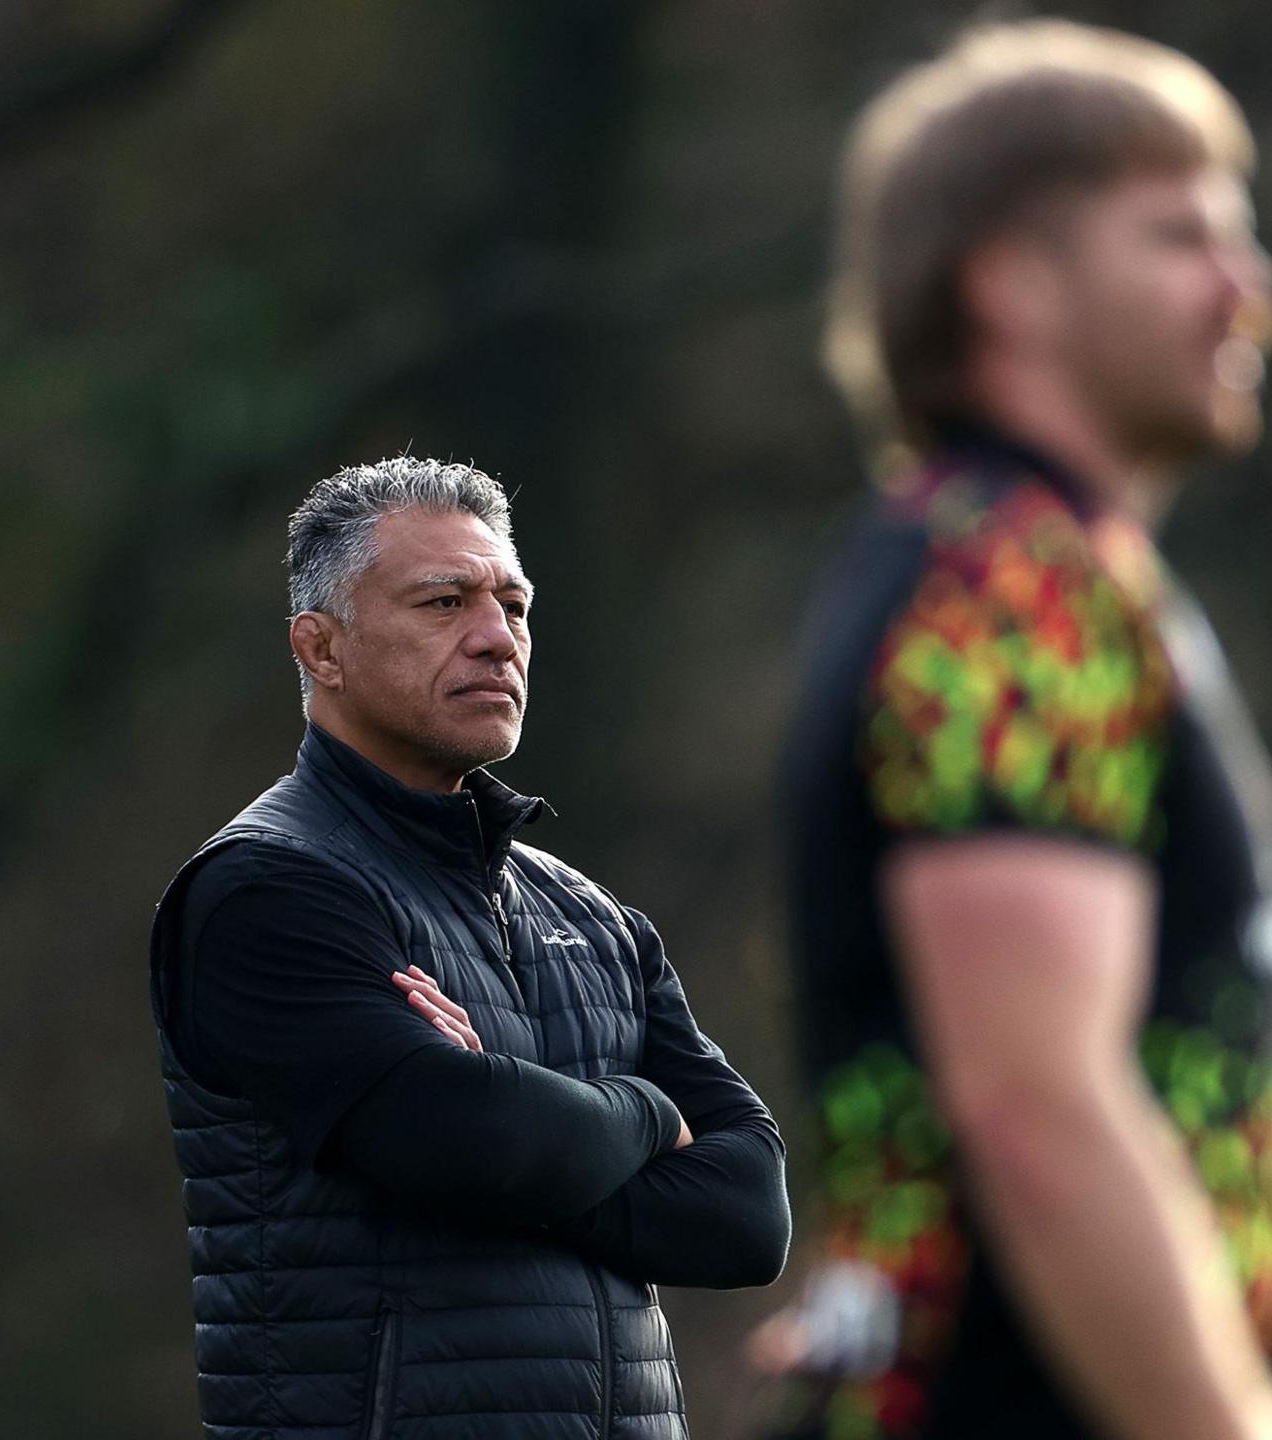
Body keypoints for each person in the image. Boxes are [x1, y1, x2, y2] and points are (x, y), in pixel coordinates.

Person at [761, 20, 1272, 1440]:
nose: (1248, 290)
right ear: (1009, 283)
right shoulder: (1012, 594)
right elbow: (1037, 1106)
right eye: (1179, 237)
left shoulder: (1023, 569)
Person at [147, 457, 790, 1440]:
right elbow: (474, 1141)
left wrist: (523, 1136)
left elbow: (749, 1216)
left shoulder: (594, 914)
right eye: (444, 601)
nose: (497, 639)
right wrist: (647, 1115)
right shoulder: (266, 890)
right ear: (320, 648)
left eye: (513, 605)